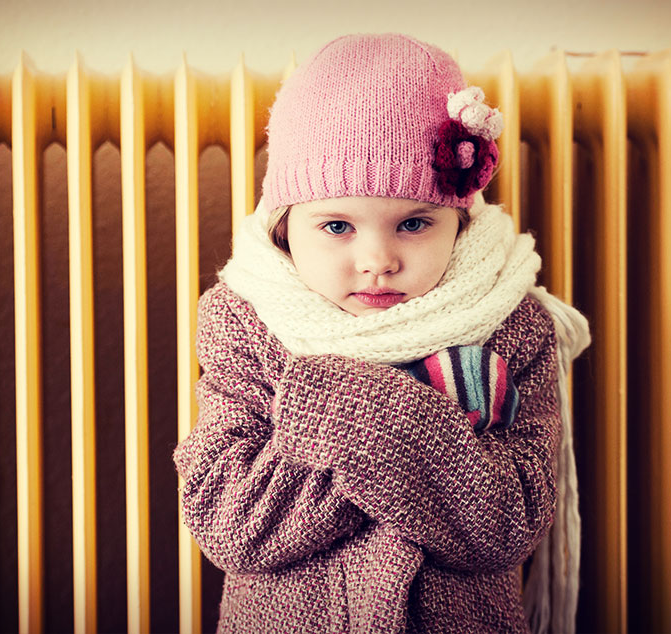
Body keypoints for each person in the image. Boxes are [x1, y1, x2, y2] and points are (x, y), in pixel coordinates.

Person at [173, 33, 590, 633]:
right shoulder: (246, 325)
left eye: (414, 222)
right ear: (287, 228)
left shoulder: (509, 323)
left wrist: (348, 421)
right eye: (337, 224)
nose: (377, 259)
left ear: (461, 222)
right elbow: (230, 524)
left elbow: (508, 523)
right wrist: (414, 434)